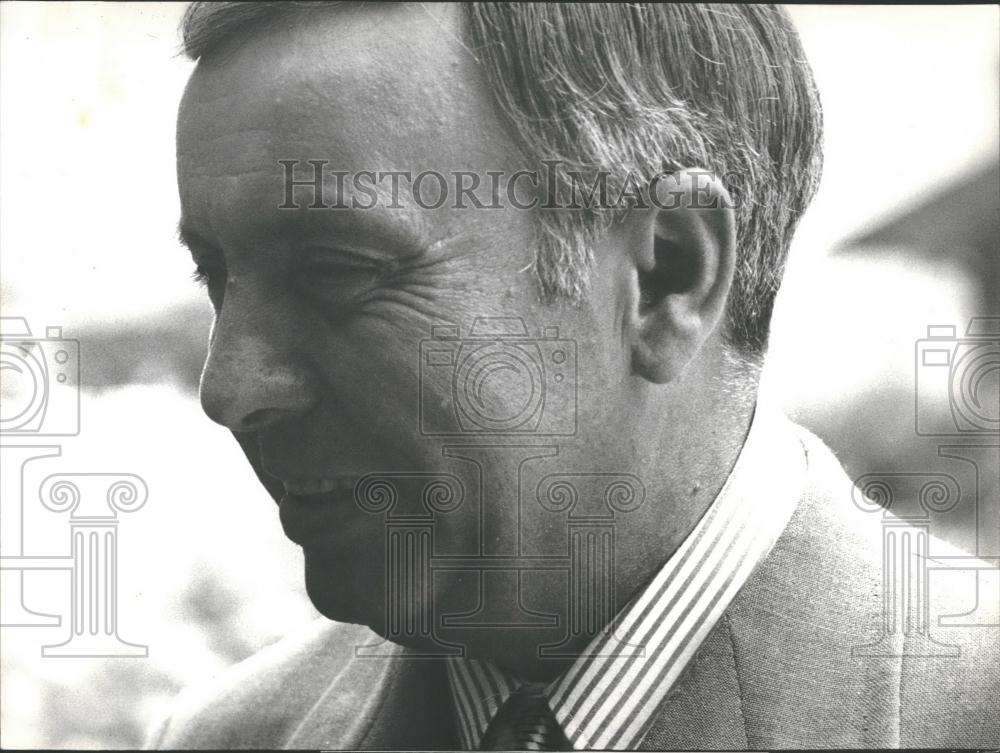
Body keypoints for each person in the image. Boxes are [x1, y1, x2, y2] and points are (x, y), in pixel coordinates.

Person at [150, 2, 999, 749]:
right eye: (218, 275)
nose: (231, 387)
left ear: (667, 278)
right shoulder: (228, 735)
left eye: (336, 271)